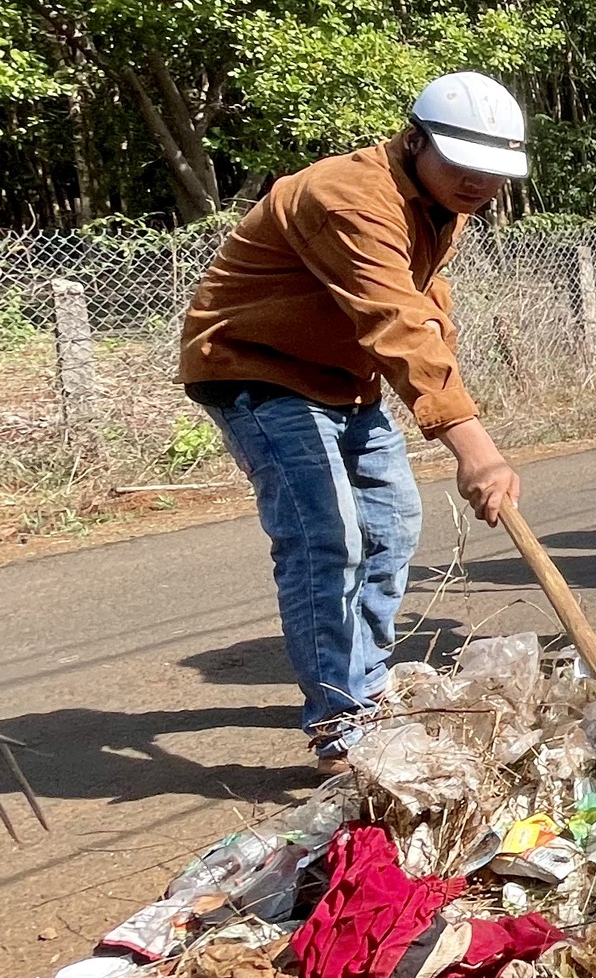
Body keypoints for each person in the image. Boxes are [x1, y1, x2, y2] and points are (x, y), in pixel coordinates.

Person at [178, 72, 530, 768]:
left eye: (493, 174)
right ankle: (342, 724)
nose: (479, 185)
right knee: (326, 539)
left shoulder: (438, 204)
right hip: (257, 368)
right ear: (415, 140)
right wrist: (473, 445)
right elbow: (393, 321)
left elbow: (422, 308)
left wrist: (447, 398)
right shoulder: (347, 195)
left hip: (342, 377)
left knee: (391, 526)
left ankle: (362, 691)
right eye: (463, 166)